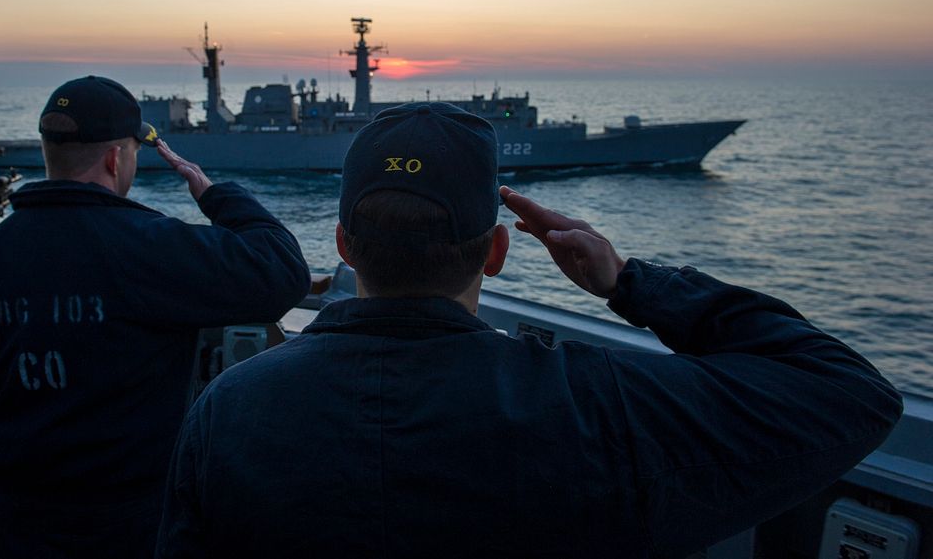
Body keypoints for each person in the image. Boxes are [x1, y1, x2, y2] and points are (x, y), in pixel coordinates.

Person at [155, 102, 902, 559]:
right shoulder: (597, 408)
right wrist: (627, 280)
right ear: (500, 248)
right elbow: (851, 393)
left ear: (343, 245)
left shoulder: (227, 410)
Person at [0, 76, 311, 558]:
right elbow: (281, 270)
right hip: (136, 526)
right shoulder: (152, 248)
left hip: (14, 523)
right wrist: (215, 195)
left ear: (49, 151)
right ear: (117, 158)